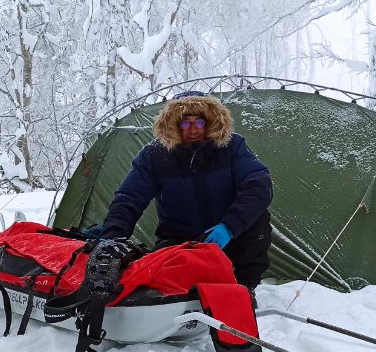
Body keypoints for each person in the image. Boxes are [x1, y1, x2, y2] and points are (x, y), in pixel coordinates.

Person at [98, 90, 273, 289]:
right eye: (184, 123)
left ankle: (245, 288)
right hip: (181, 239)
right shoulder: (154, 156)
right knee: (164, 280)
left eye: (199, 122)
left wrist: (229, 226)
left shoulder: (232, 147)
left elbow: (260, 185)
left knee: (258, 220)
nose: (193, 130)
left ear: (210, 121)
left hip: (229, 235)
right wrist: (110, 240)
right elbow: (129, 198)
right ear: (173, 124)